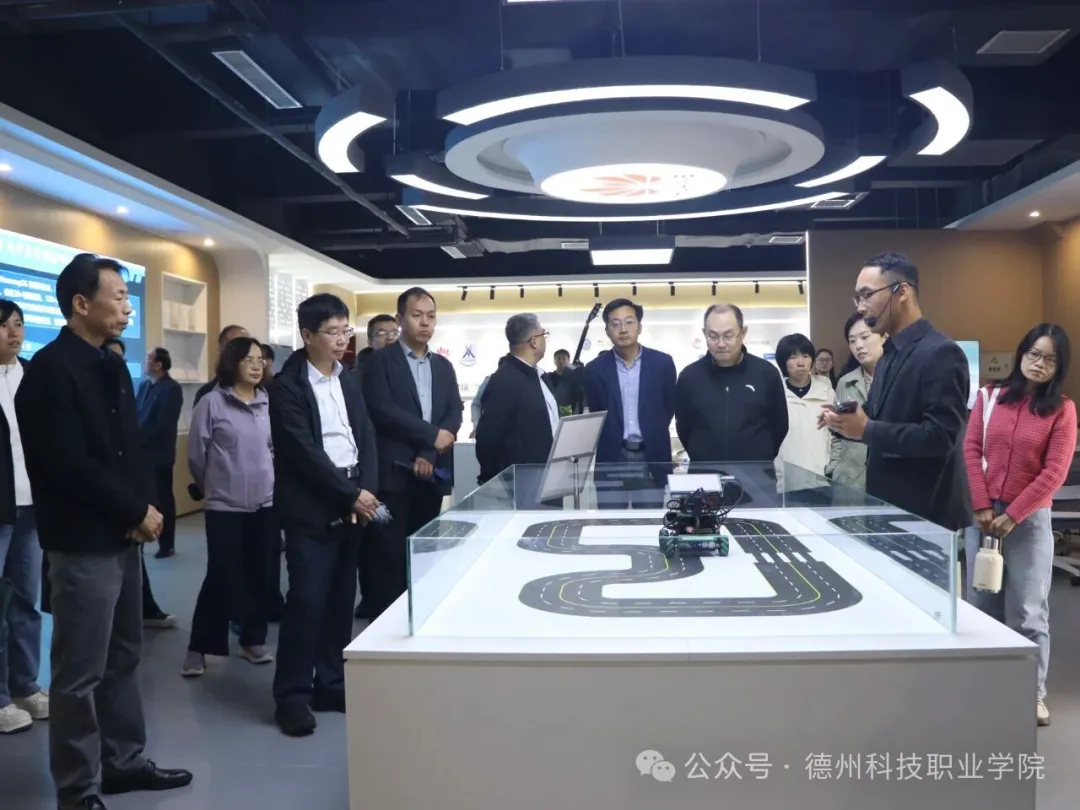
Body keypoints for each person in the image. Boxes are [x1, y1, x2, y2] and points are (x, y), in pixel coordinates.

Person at [15, 253, 192, 810]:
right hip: (82, 539)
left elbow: (129, 451)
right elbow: (69, 465)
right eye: (117, 297)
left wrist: (147, 507)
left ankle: (123, 762)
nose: (126, 308)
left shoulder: (111, 366)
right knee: (79, 672)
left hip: (123, 534)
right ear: (80, 303)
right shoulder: (49, 371)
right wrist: (134, 510)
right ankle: (77, 789)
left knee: (124, 657)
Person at [269, 293, 379, 737]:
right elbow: (303, 453)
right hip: (311, 507)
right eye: (331, 332)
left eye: (345, 330)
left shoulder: (348, 378)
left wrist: (367, 489)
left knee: (339, 602)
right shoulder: (288, 386)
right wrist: (351, 495)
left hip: (353, 497)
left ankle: (330, 684)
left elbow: (365, 434)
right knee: (307, 602)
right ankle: (292, 696)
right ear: (307, 335)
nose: (341, 339)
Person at [963, 323, 1076, 728]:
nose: (1039, 364)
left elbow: (1055, 471)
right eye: (1033, 354)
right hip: (982, 516)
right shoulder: (989, 396)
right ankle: (986, 687)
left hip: (1028, 521)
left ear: (1059, 367)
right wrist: (980, 504)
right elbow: (971, 449)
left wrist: (1014, 514)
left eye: (1050, 359)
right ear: (1021, 353)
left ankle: (1032, 693)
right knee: (982, 605)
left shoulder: (1062, 410)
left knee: (1028, 610)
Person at [821, 252, 971, 530]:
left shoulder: (941, 353)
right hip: (887, 510)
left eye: (867, 295)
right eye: (858, 298)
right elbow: (880, 417)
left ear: (901, 292)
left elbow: (941, 437)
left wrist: (866, 429)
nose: (861, 307)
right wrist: (844, 420)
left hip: (927, 516)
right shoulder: (889, 354)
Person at [362, 288, 462, 619]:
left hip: (430, 474)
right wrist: (430, 436)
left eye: (431, 316)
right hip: (391, 477)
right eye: (417, 315)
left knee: (425, 553)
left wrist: (428, 452)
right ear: (400, 319)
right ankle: (384, 626)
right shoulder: (379, 362)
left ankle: (419, 621)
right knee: (387, 557)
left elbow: (453, 412)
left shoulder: (444, 366)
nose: (425, 323)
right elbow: (383, 410)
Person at [182, 337, 276, 678]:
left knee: (259, 574)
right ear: (231, 362)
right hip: (224, 505)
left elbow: (273, 449)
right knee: (221, 575)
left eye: (260, 360)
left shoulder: (267, 401)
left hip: (265, 503)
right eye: (248, 359)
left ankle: (252, 640)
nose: (256, 366)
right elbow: (197, 455)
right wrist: (217, 485)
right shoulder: (211, 403)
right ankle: (199, 647)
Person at [0, 300, 47, 735]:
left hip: (30, 507)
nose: (14, 332)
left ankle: (25, 685)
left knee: (26, 602)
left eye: (19, 324)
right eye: (4, 326)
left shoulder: (33, 375)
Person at [583, 299, 676, 508]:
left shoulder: (662, 364)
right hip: (612, 457)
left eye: (629, 322)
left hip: (650, 457)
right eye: (615, 324)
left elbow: (668, 407)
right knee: (611, 522)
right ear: (607, 331)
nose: (623, 329)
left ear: (639, 327)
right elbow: (597, 411)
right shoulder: (594, 370)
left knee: (650, 522)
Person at [675, 304, 788, 465]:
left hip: (756, 474)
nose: (721, 344)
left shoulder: (766, 373)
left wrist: (761, 455)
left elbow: (779, 425)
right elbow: (684, 427)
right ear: (704, 333)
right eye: (713, 336)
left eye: (728, 336)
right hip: (705, 473)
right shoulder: (689, 377)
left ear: (742, 333)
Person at [476, 313, 561, 499]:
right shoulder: (504, 380)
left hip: (551, 477)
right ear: (534, 341)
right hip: (522, 482)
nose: (545, 339)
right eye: (543, 334)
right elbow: (488, 437)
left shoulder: (542, 376)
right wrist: (493, 479)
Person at [826, 313, 885, 495]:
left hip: (889, 480)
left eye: (865, 337)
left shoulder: (902, 378)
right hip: (850, 480)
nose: (858, 345)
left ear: (884, 336)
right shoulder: (846, 382)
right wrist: (835, 468)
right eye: (852, 341)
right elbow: (837, 433)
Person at [136, 347, 183, 559]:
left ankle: (167, 544)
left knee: (163, 498)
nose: (144, 361)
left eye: (148, 358)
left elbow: (164, 423)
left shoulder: (171, 388)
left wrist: (142, 439)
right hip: (140, 453)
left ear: (158, 365)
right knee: (142, 497)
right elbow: (136, 414)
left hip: (159, 454)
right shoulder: (145, 385)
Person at [774, 333, 835, 491]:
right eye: (793, 357)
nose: (800, 362)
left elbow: (836, 436)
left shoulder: (827, 392)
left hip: (822, 479)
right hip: (785, 480)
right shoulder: (775, 394)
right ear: (783, 362)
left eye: (806, 356)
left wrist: (833, 467)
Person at [193, 324, 249, 407]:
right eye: (238, 345)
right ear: (222, 349)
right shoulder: (207, 393)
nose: (244, 350)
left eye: (247, 345)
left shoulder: (262, 391)